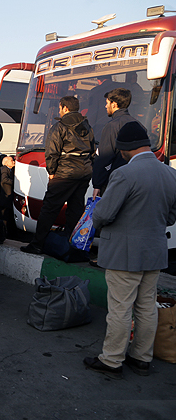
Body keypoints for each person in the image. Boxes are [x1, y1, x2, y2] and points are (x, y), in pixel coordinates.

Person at [83, 121, 176, 379]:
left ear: (125, 149)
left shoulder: (124, 174)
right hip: (154, 251)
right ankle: (141, 358)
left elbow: (103, 214)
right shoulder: (170, 174)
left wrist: (97, 210)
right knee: (146, 306)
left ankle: (112, 360)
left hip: (124, 253)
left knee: (121, 308)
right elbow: (171, 217)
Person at [21, 96, 95, 254]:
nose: (59, 111)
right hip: (84, 173)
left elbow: (51, 152)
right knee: (75, 209)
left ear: (66, 108)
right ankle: (70, 244)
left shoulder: (59, 126)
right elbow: (92, 150)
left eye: (60, 108)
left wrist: (52, 172)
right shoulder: (87, 126)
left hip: (64, 173)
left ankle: (37, 244)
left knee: (49, 208)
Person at [92, 88, 138, 198]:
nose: (105, 106)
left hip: (115, 181)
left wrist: (97, 184)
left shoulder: (112, 126)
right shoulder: (138, 125)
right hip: (135, 180)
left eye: (107, 103)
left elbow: (105, 157)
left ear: (114, 104)